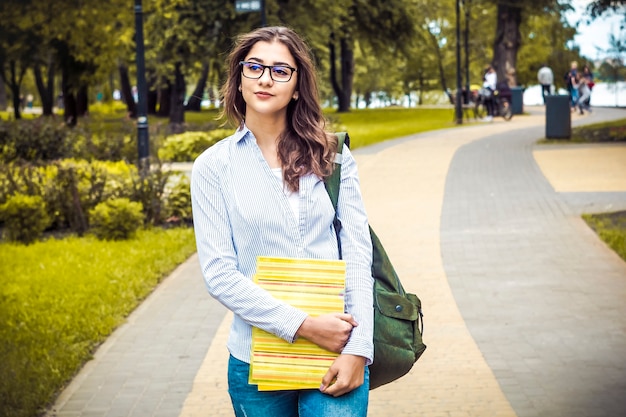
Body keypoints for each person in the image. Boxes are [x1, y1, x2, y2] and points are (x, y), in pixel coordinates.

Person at [190, 26, 374, 417]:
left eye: (280, 71)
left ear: (296, 85)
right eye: (254, 67)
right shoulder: (213, 167)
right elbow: (220, 273)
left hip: (336, 349)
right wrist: (304, 325)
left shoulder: (332, 156)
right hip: (255, 358)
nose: (265, 79)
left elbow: (358, 253)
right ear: (238, 79)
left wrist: (359, 349)